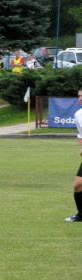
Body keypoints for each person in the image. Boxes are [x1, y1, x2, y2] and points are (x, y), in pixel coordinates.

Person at [65, 87, 82, 222]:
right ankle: (81, 215)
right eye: (79, 96)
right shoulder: (78, 114)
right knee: (78, 185)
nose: (80, 99)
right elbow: (80, 135)